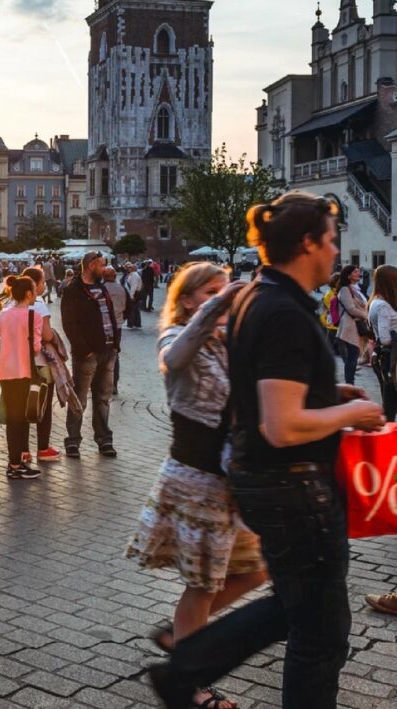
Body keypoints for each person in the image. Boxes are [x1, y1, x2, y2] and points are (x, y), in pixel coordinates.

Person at [149, 192, 386, 709]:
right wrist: (353, 414)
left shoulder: (261, 297)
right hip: (293, 486)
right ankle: (186, 667)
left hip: (270, 483)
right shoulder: (283, 311)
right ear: (306, 243)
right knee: (321, 635)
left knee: (300, 608)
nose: (334, 250)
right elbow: (281, 425)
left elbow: (262, 389)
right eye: (329, 239)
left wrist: (328, 396)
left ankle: (186, 666)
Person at [126, 262, 267, 709]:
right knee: (203, 586)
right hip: (197, 479)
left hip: (230, 481)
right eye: (209, 292)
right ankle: (191, 681)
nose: (219, 299)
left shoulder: (228, 342)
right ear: (187, 299)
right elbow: (174, 359)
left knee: (257, 569)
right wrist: (219, 307)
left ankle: (182, 639)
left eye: (223, 291)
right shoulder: (175, 336)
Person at [0, 276, 44, 479]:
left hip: (5, 372)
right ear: (28, 293)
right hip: (24, 371)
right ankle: (16, 464)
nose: (36, 294)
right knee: (21, 417)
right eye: (34, 290)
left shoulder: (4, 314)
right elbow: (35, 348)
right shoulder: (34, 316)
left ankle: (16, 461)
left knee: (13, 417)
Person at [61, 251, 120, 458]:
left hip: (108, 350)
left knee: (103, 398)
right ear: (91, 265)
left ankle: (104, 440)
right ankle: (73, 441)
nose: (105, 269)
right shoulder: (73, 290)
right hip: (87, 353)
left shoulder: (102, 288)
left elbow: (110, 316)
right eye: (102, 265)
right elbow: (69, 324)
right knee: (80, 399)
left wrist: (116, 346)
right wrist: (83, 349)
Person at [17, 266, 60, 462]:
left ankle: (23, 450)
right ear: (35, 285)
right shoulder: (40, 306)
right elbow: (47, 335)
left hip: (18, 362)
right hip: (40, 363)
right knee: (42, 405)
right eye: (43, 282)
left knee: (22, 406)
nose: (44, 285)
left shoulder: (12, 304)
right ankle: (43, 448)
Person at [368, 264, 397, 421]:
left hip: (384, 356)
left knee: (389, 400)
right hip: (389, 357)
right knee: (390, 402)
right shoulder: (383, 306)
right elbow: (385, 338)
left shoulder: (377, 301)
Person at [335, 264, 367, 385]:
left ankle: (350, 382)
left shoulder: (354, 288)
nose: (358, 274)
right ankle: (350, 384)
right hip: (349, 326)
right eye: (355, 272)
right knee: (352, 358)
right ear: (348, 275)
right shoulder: (345, 289)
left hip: (354, 325)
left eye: (358, 271)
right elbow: (351, 309)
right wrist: (365, 315)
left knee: (353, 356)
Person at [103, 266, 128, 395]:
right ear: (114, 276)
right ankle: (114, 384)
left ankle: (101, 383)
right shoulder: (122, 288)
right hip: (117, 325)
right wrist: (122, 318)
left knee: (101, 354)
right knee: (114, 354)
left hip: (103, 326)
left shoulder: (101, 289)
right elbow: (129, 306)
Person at [122, 262, 143, 329]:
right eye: (128, 267)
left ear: (133, 268)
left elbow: (133, 286)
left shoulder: (134, 276)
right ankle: (137, 324)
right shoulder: (132, 275)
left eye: (130, 267)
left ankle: (130, 324)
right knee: (136, 309)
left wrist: (131, 296)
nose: (128, 269)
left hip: (134, 294)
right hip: (134, 294)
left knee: (131, 309)